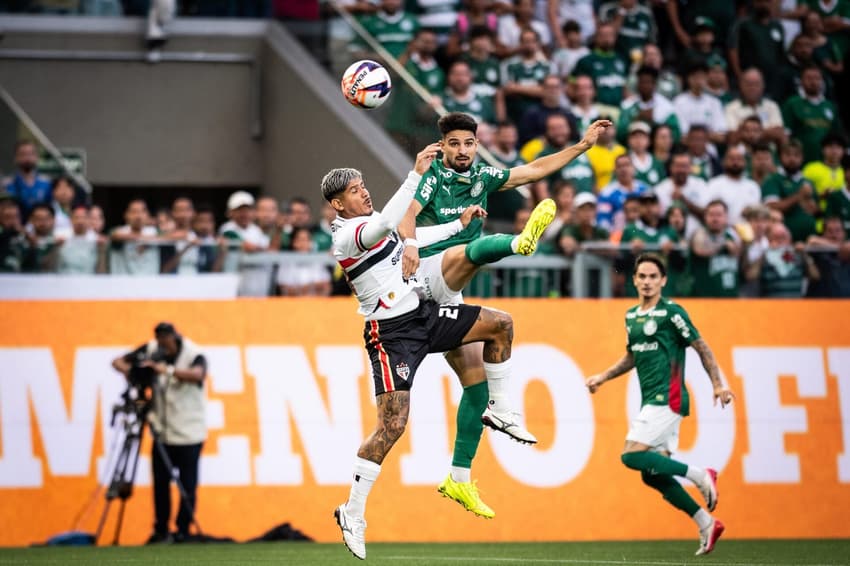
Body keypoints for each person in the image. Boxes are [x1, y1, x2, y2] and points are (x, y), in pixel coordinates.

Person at [399, 113, 611, 519]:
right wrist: (409, 243)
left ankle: (459, 477)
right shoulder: (432, 175)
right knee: (467, 252)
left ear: (477, 145)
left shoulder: (482, 177)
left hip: (447, 294)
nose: (462, 151)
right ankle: (518, 242)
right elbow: (407, 211)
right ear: (443, 146)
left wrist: (582, 146)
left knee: (477, 378)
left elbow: (533, 169)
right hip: (421, 277)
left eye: (468, 143)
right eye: (454, 143)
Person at [327, 145, 534, 560]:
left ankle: (501, 408)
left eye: (364, 185)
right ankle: (352, 511)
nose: (363, 193)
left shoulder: (370, 224)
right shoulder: (346, 234)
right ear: (337, 204)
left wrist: (457, 223)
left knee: (501, 324)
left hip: (425, 316)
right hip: (391, 336)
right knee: (393, 426)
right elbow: (389, 221)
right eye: (355, 190)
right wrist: (415, 175)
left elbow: (410, 236)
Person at [586, 253, 735, 556]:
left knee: (630, 456)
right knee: (651, 474)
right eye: (642, 276)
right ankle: (706, 522)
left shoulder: (672, 313)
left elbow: (701, 346)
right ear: (634, 280)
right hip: (651, 400)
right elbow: (632, 356)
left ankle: (699, 474)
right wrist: (603, 376)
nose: (647, 282)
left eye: (653, 276)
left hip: (669, 398)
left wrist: (718, 384)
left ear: (663, 280)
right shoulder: (631, 316)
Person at [111, 322, 207, 544]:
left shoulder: (193, 353)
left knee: (188, 485)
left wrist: (168, 370)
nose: (164, 347)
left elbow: (198, 374)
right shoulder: (152, 349)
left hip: (188, 433)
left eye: (167, 342)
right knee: (160, 485)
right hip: (163, 432)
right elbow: (117, 362)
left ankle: (183, 530)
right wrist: (135, 372)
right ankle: (161, 529)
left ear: (174, 338)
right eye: (161, 342)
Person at [744, 221, 820, 297]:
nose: (780, 241)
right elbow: (750, 276)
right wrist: (765, 253)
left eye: (783, 237)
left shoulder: (798, 255)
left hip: (795, 304)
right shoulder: (765, 257)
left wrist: (805, 255)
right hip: (771, 305)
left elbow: (815, 276)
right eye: (776, 237)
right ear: (769, 239)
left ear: (790, 237)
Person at [689, 200, 741, 297]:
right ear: (705, 217)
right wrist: (723, 244)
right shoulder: (700, 233)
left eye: (719, 215)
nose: (715, 219)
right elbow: (700, 249)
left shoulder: (732, 235)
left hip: (731, 298)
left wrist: (746, 244)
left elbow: (740, 257)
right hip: (704, 298)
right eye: (711, 215)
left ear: (726, 217)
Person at [3, 140, 52, 220]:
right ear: (15, 158)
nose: (27, 158)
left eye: (30, 154)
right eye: (22, 154)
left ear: (37, 157)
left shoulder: (46, 183)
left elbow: (50, 209)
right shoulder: (7, 184)